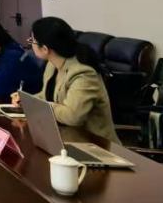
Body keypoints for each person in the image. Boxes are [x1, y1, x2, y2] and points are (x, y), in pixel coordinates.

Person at [15, 16, 117, 145]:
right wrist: (25, 100)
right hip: (64, 136)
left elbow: (72, 116)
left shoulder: (83, 73)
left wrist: (42, 107)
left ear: (45, 49)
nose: (30, 45)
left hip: (95, 144)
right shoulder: (52, 64)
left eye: (32, 41)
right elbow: (46, 96)